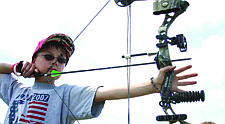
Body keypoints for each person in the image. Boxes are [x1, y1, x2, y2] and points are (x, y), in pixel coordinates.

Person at [0, 33, 198, 124]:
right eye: (48, 57)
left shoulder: (66, 93)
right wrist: (16, 67)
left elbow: (106, 92)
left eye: (61, 60)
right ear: (34, 59)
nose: (55, 63)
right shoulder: (17, 90)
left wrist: (154, 85)